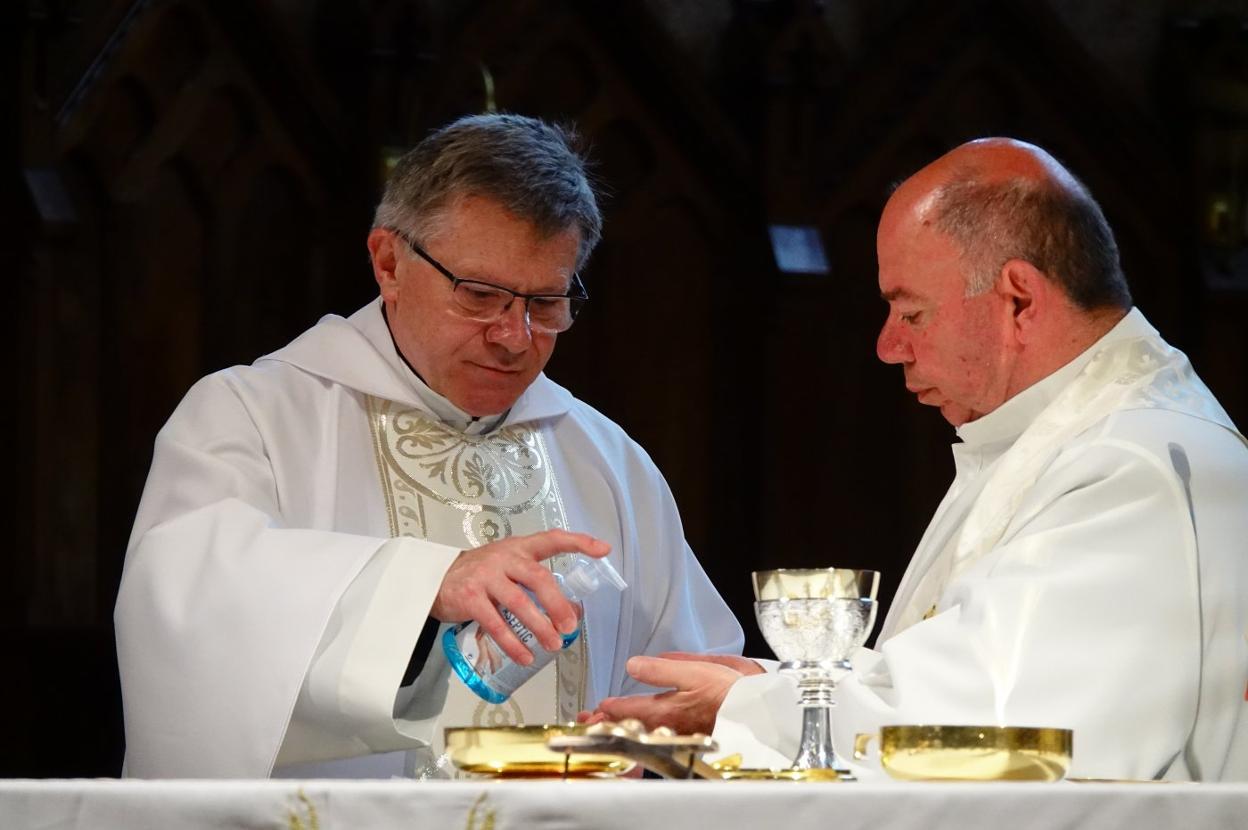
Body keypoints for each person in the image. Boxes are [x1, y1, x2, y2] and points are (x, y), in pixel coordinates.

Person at [592, 138, 1248, 781]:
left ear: (1019, 300)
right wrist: (773, 685)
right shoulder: (1053, 437)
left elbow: (998, 734)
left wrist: (749, 707)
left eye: (910, 312)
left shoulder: (1133, 463)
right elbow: (961, 675)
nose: (888, 347)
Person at [115, 113, 744, 779]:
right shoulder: (251, 417)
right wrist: (422, 583)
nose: (514, 337)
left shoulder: (609, 462)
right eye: (480, 295)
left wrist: (670, 737)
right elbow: (183, 609)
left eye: (545, 303)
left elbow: (688, 691)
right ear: (388, 263)